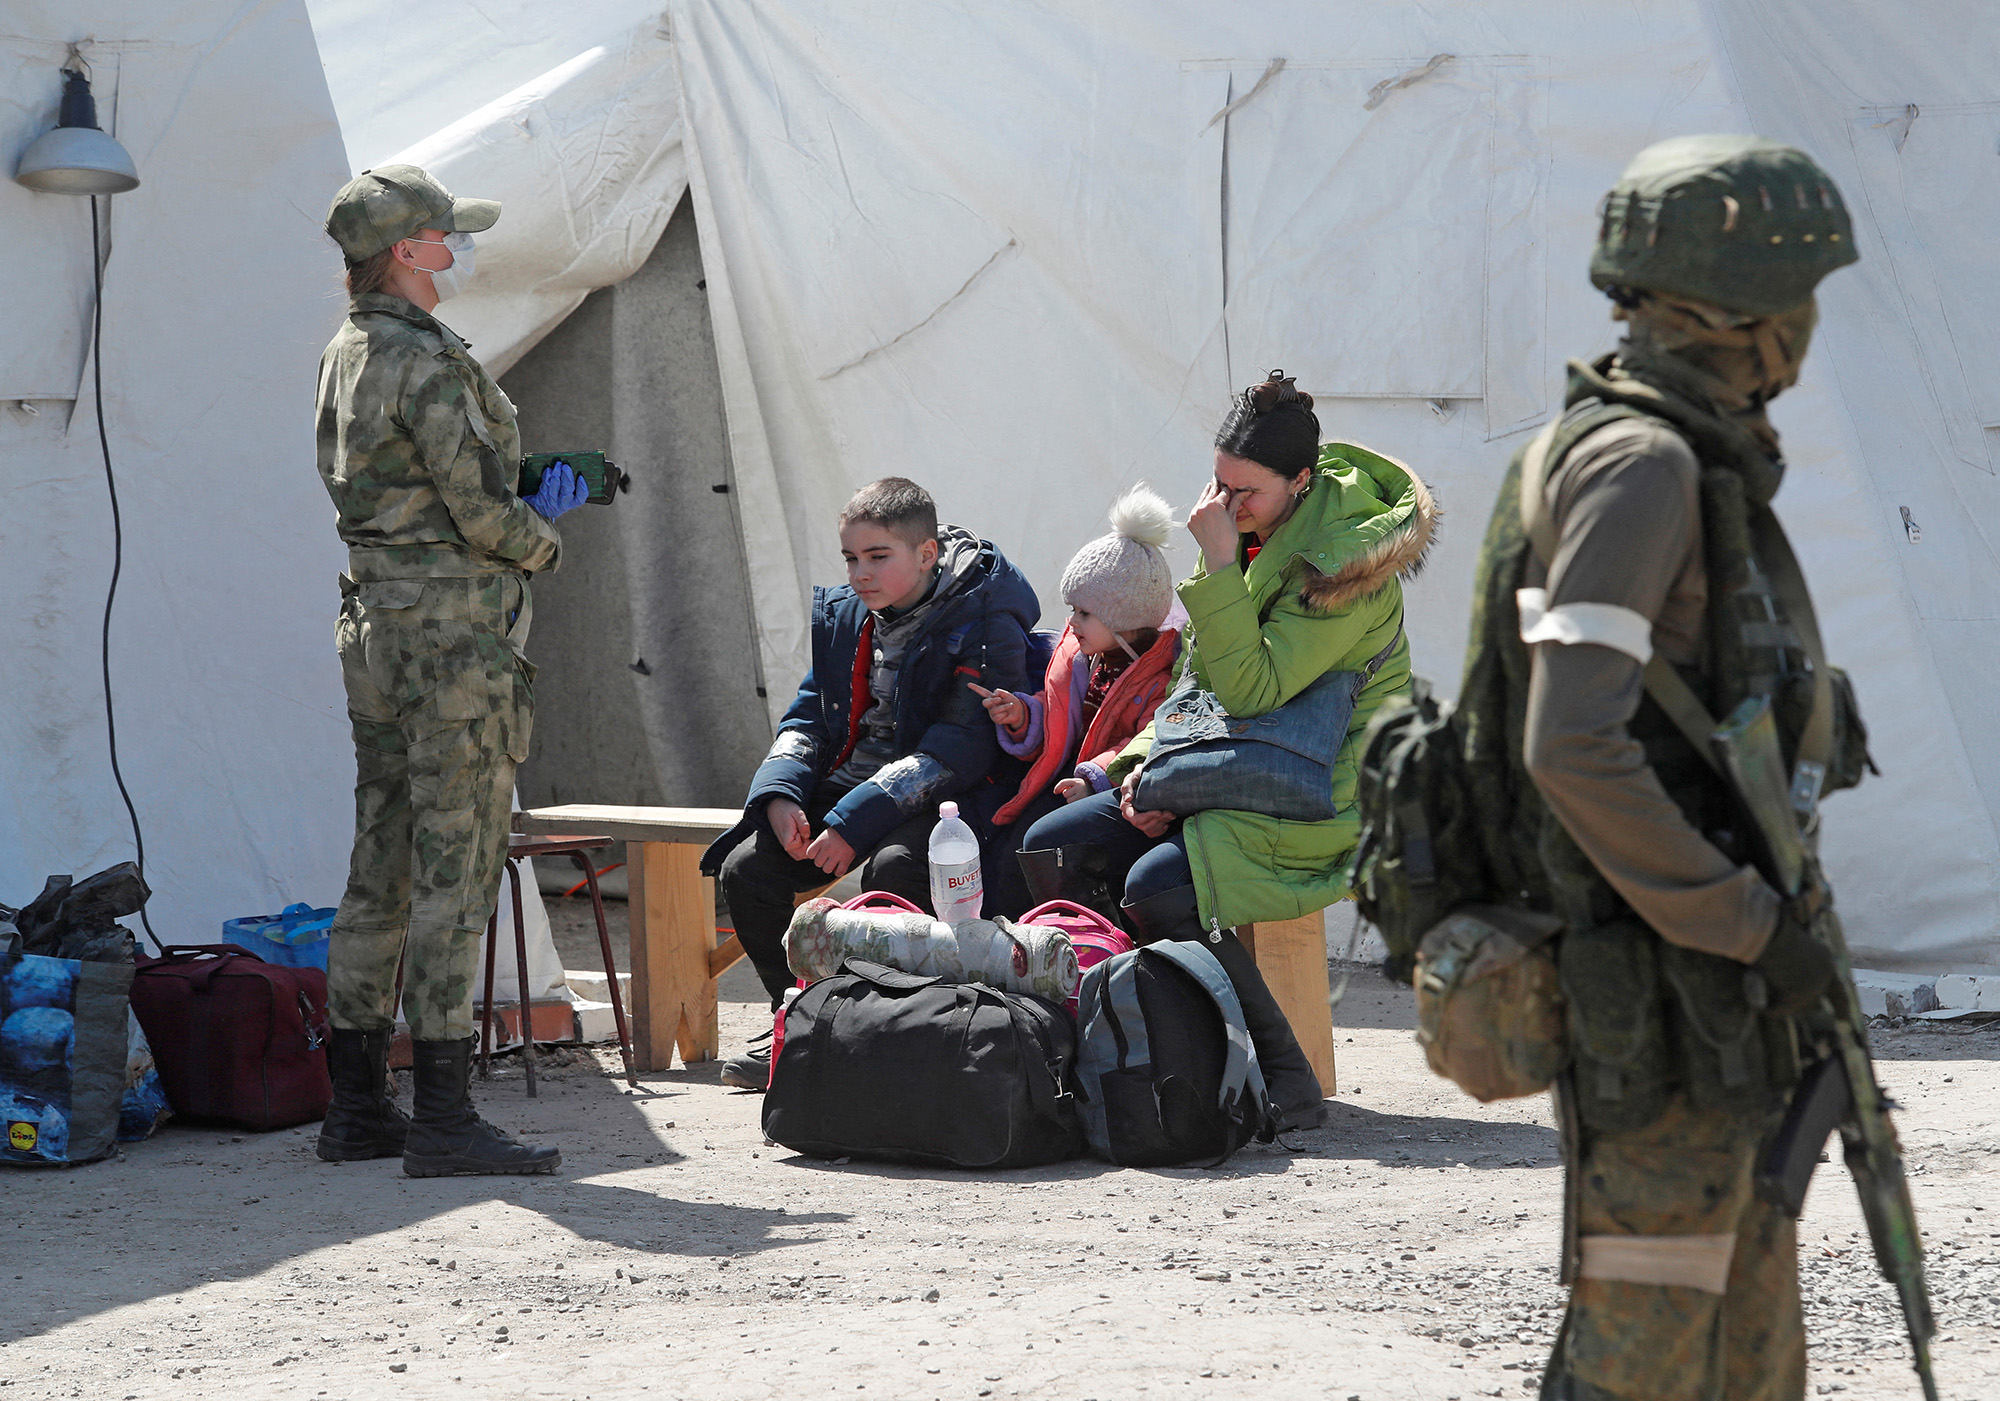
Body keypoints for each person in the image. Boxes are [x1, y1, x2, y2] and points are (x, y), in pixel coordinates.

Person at [1454, 136, 1865, 1400]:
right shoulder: (1639, 465)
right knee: (1642, 1349)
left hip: (1705, 998)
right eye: (1793, 303)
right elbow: (1570, 743)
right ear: (1733, 314)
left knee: (1742, 1352)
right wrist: (1748, 924)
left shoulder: (1651, 448)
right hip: (1661, 999)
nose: (1802, 331)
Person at [1020, 373, 1436, 1130]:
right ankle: (1138, 1045)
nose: (1224, 503)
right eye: (1218, 482)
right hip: (1230, 762)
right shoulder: (1255, 535)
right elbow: (1194, 690)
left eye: (1245, 490)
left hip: (1320, 794)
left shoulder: (1346, 570)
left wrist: (1216, 569)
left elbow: (1249, 689)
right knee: (1052, 847)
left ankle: (1284, 1074)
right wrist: (1113, 769)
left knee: (1158, 888)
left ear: (1301, 482)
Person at [314, 164, 590, 1177]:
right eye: (446, 236)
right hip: (452, 644)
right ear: (407, 251)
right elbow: (479, 516)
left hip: (376, 628)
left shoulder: (345, 353)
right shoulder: (429, 362)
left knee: (377, 865)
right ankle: (441, 1116)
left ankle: (354, 1109)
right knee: (455, 872)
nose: (459, 250)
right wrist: (544, 533)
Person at [700, 478, 1038, 1088]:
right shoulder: (846, 615)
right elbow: (808, 716)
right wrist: (780, 795)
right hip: (852, 787)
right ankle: (799, 1017)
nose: (861, 573)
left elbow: (959, 749)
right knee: (748, 869)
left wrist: (853, 824)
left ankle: (890, 1028)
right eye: (851, 558)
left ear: (927, 554)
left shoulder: (985, 616)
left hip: (946, 800)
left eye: (878, 557)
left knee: (897, 871)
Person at [971, 483, 1183, 918]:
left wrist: (1093, 778)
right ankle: (1002, 937)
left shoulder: (1160, 677)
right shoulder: (1086, 658)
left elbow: (1140, 742)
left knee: (1028, 854)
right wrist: (1022, 713)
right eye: (1072, 608)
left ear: (1124, 619)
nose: (1070, 621)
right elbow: (1058, 715)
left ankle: (1048, 937)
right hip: (1063, 780)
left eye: (1085, 612)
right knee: (1000, 850)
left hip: (1107, 792)